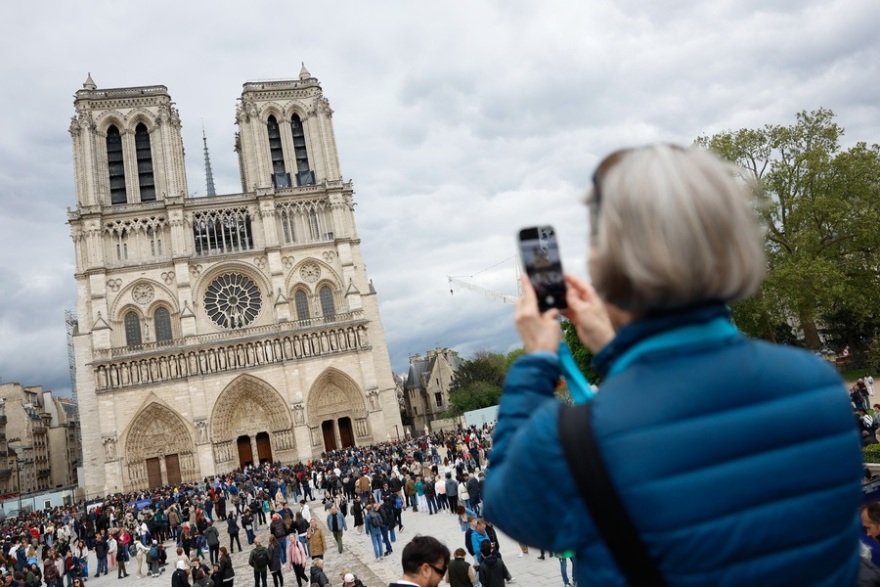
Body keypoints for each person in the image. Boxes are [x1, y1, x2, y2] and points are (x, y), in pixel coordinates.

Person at [482, 144, 864, 586]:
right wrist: (614, 349)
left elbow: (507, 501)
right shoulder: (815, 383)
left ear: (606, 261)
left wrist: (537, 361)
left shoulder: (578, 439)